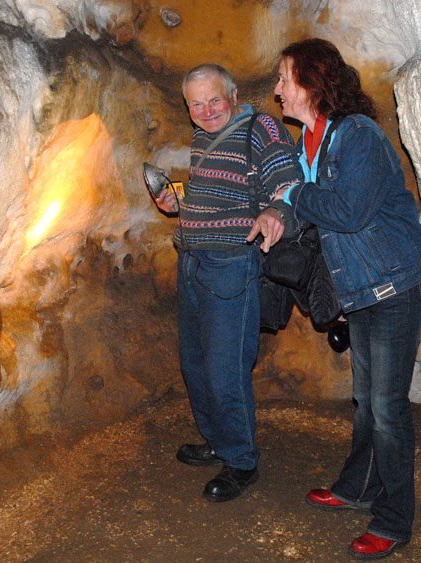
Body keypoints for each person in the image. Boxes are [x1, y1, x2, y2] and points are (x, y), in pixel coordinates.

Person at [249, 39, 421, 559]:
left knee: (388, 408)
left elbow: (347, 211)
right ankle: (358, 487)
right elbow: (304, 209)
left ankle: (395, 519)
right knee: (367, 400)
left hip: (395, 280)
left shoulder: (358, 136)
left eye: (285, 78)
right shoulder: (311, 142)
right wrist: (277, 215)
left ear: (312, 81)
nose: (278, 90)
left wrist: (292, 198)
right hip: (363, 284)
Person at [154, 63, 298, 502]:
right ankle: (217, 439)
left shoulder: (262, 127)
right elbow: (223, 193)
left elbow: (288, 182)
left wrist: (276, 212)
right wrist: (179, 200)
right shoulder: (204, 137)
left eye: (213, 99)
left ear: (233, 94)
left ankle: (240, 460)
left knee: (225, 369)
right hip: (193, 261)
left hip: (231, 265)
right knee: (195, 363)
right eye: (196, 104)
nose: (206, 110)